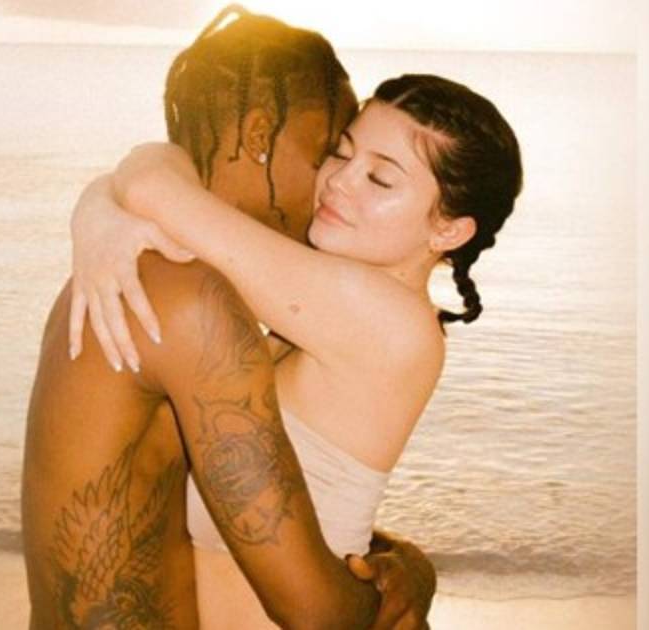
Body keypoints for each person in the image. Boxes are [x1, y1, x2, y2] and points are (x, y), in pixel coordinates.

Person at [23, 7, 434, 630]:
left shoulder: (139, 265)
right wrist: (409, 586)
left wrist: (400, 556)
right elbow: (317, 614)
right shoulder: (193, 301)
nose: (331, 184)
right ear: (260, 133)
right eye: (328, 150)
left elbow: (222, 505)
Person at [69, 71, 523, 629]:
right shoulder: (337, 311)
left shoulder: (385, 320)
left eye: (380, 179)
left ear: (449, 232)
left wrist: (95, 213)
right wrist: (100, 207)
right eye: (341, 153)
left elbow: (150, 185)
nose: (339, 181)